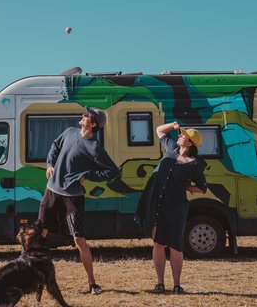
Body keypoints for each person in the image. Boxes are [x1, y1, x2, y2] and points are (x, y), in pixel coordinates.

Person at [37, 106, 120, 295]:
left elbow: (113, 171)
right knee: (39, 232)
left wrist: (88, 175)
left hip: (73, 197)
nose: (82, 116)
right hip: (51, 191)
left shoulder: (95, 148)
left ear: (93, 123)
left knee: (79, 239)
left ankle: (92, 283)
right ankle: (35, 278)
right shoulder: (69, 132)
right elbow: (54, 146)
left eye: (86, 115)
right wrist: (50, 163)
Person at [135, 121, 207, 294]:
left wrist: (185, 187)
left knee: (175, 245)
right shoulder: (171, 148)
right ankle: (160, 283)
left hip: (176, 207)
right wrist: (172, 125)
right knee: (158, 243)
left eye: (184, 136)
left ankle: (177, 285)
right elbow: (159, 130)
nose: (180, 136)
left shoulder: (195, 165)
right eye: (181, 134)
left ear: (190, 143)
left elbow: (202, 188)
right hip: (158, 204)